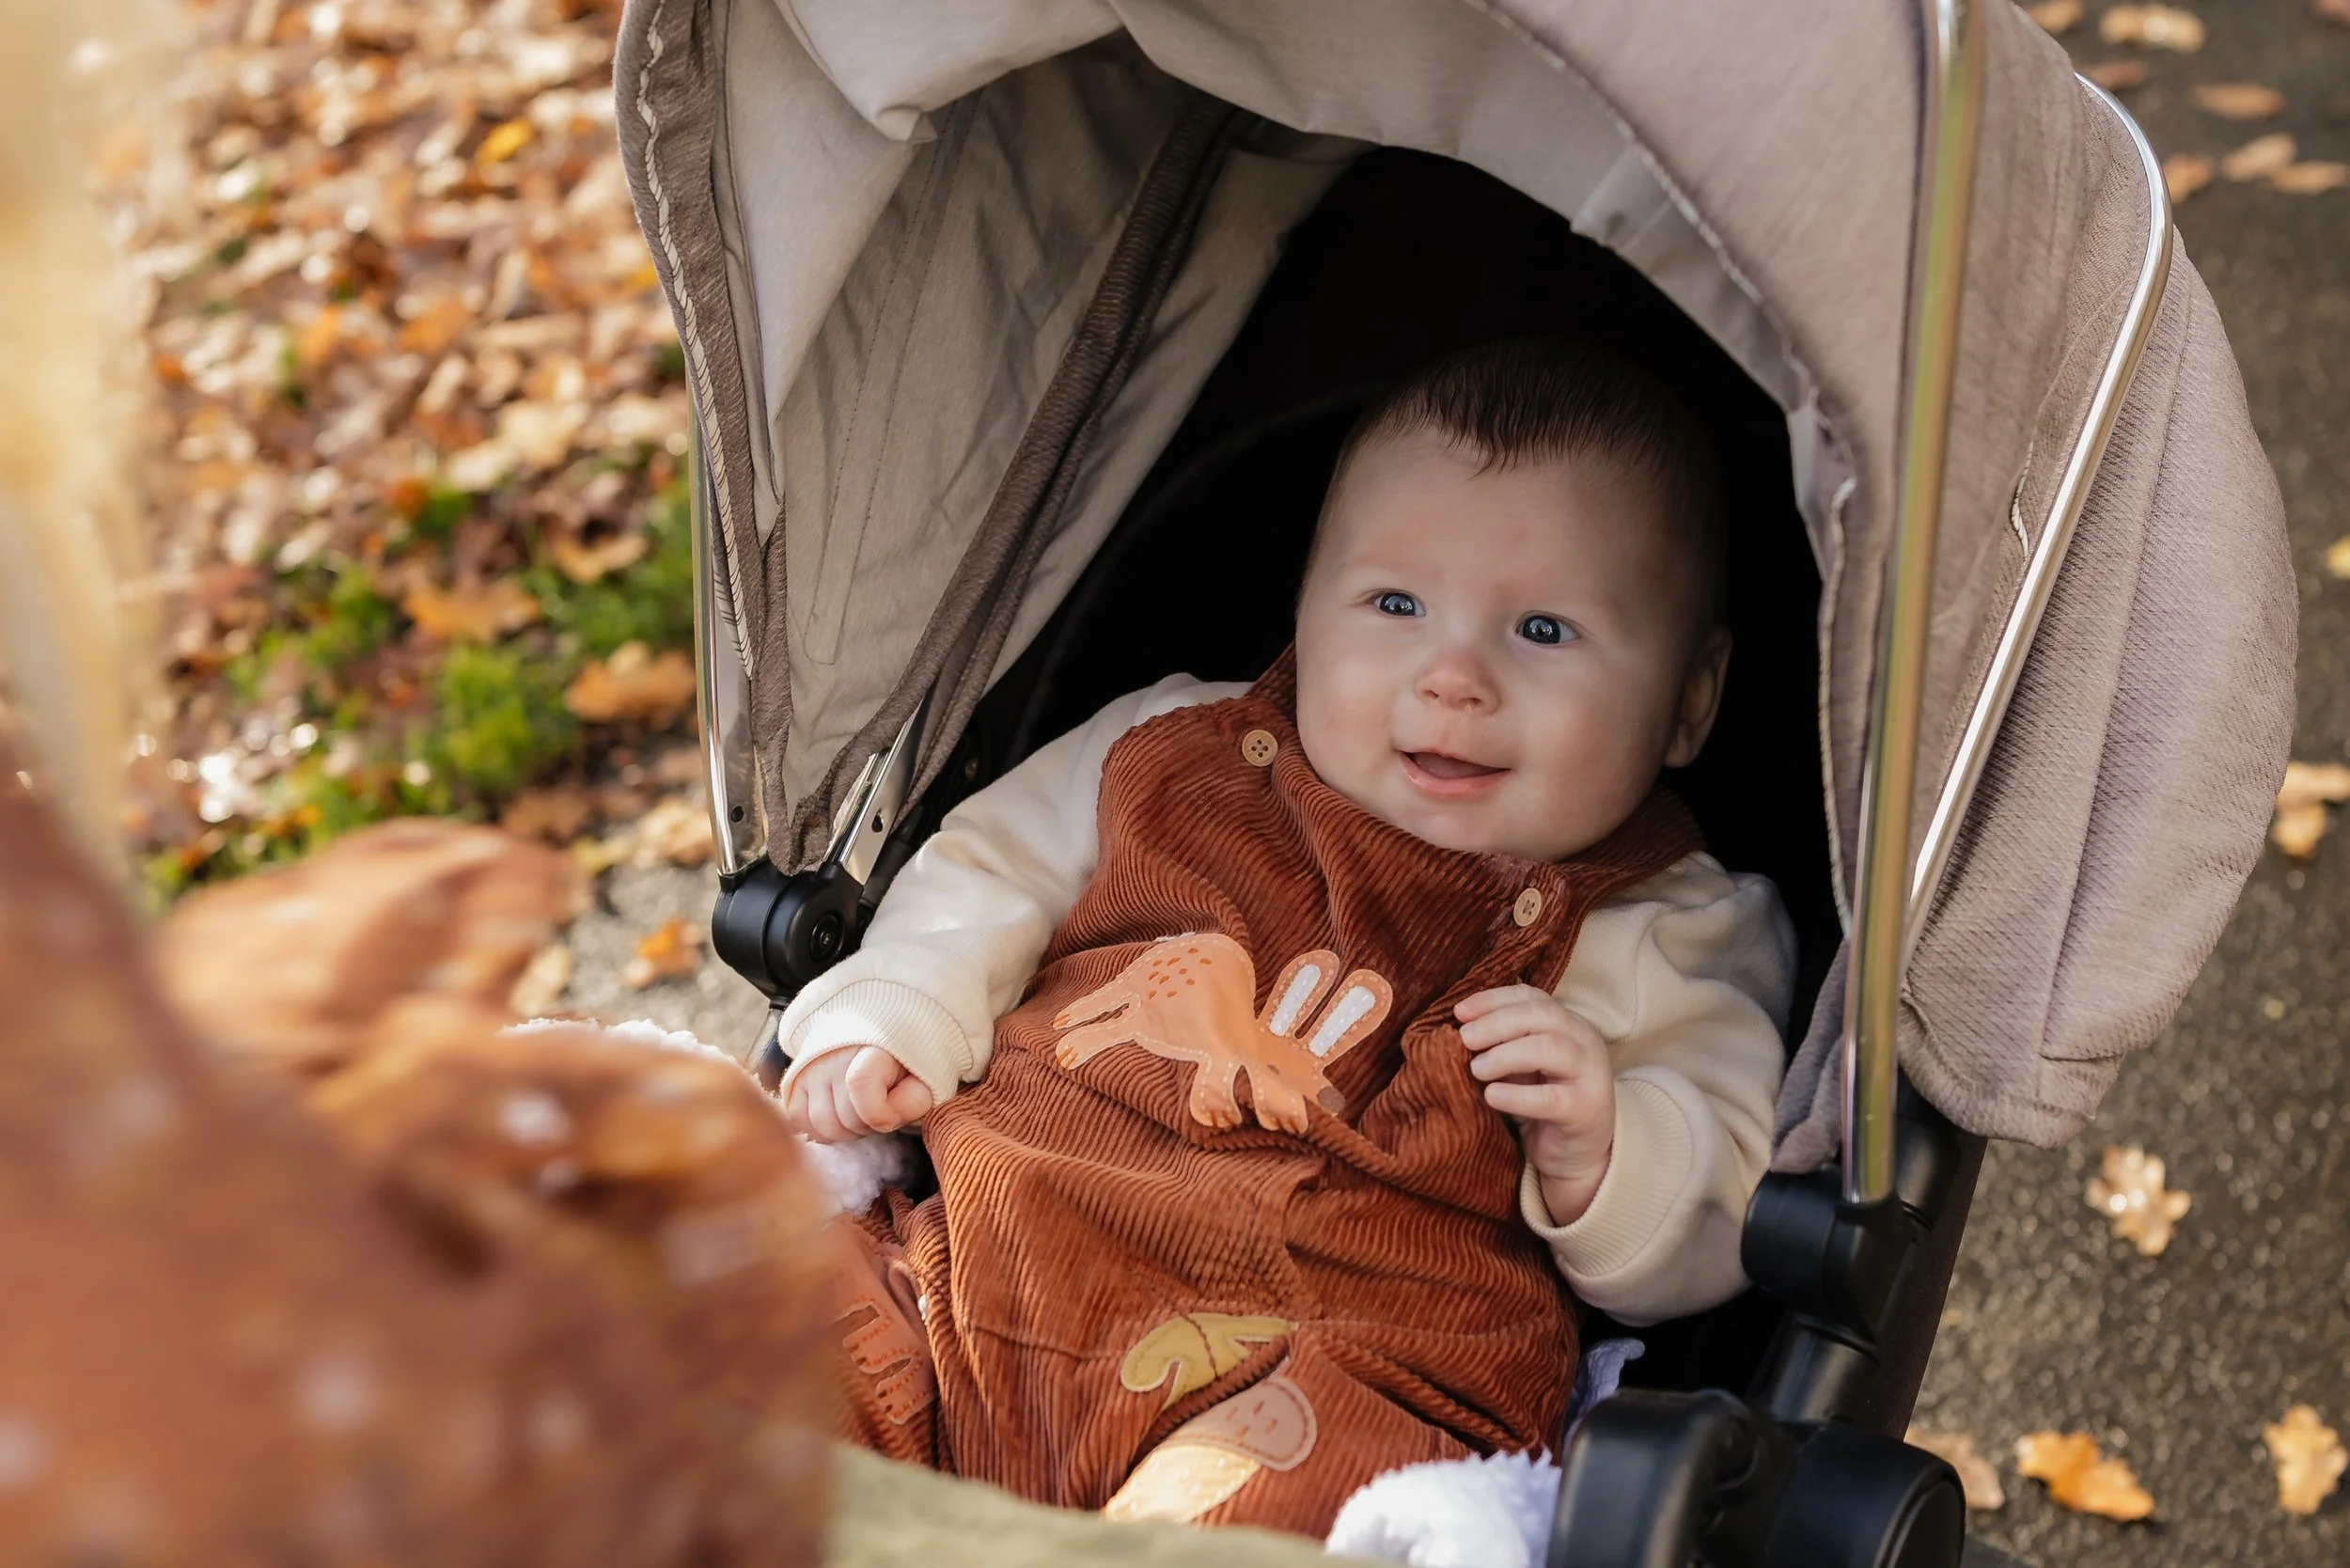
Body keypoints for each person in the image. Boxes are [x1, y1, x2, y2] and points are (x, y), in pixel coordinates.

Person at [775, 337, 1794, 1537]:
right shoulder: (1168, 746)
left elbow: (1734, 1197)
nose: (1452, 675)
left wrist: (1611, 1150)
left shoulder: (1669, 923)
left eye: (1545, 632)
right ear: (1305, 609)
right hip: (977, 1265)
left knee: (1274, 1508)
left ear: (1690, 700)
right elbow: (985, 875)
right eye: (1395, 605)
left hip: (1327, 1366)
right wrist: (897, 1011)